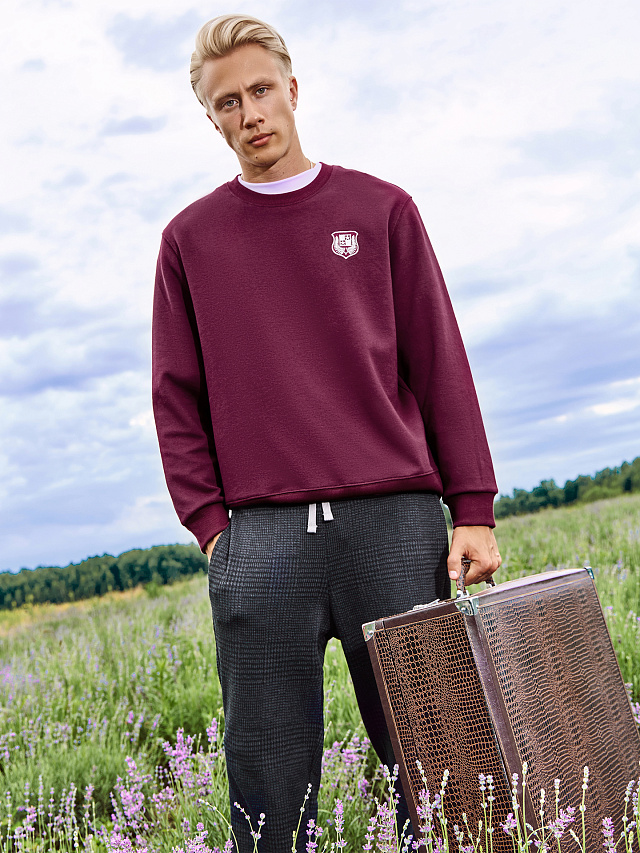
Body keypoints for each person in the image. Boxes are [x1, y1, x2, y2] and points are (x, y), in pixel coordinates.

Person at [152, 13, 501, 852]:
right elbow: (175, 397)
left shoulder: (381, 210)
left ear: (293, 89)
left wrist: (473, 506)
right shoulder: (188, 242)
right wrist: (214, 531)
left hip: (396, 529)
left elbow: (439, 363)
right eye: (227, 102)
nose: (250, 114)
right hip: (262, 544)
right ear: (211, 117)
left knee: (443, 772)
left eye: (261, 90)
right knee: (267, 798)